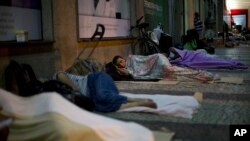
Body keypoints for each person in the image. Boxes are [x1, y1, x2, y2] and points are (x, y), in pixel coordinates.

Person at [54, 71, 157, 113]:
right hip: (93, 96)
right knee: (100, 108)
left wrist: (76, 94)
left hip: (95, 79)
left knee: (101, 96)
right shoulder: (57, 101)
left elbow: (60, 75)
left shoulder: (54, 80)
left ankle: (134, 99)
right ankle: (139, 103)